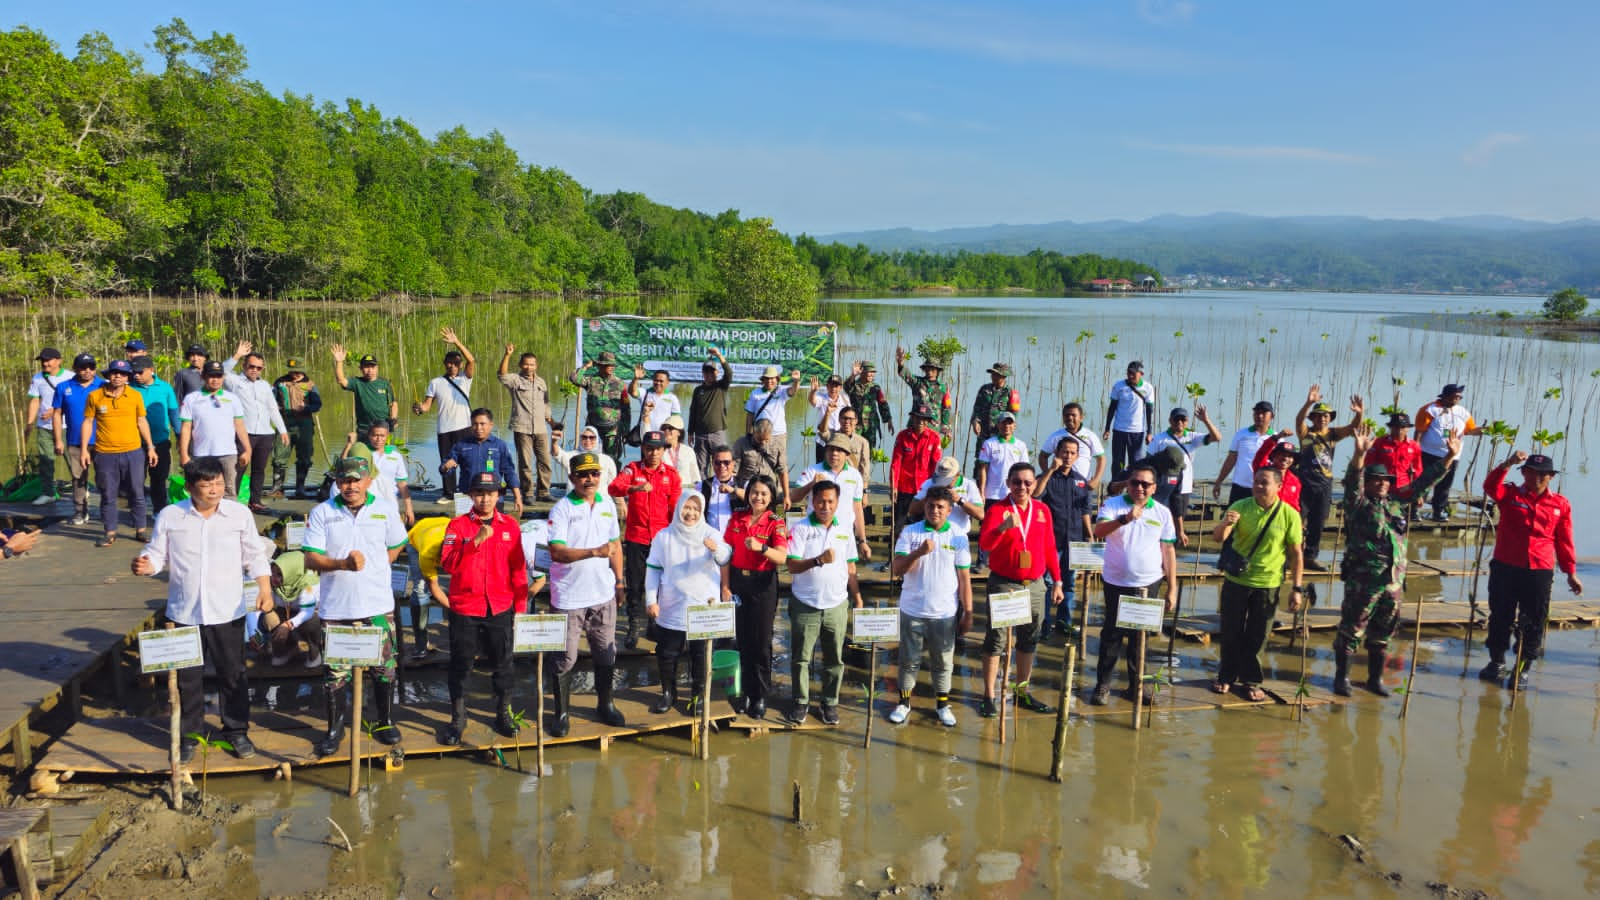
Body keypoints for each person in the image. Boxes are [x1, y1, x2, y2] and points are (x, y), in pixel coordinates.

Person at [133, 457, 272, 762]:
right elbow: (157, 555)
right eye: (207, 484)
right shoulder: (171, 516)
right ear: (191, 487)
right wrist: (146, 565)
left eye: (219, 482)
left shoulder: (238, 514)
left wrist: (264, 587)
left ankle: (236, 732)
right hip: (184, 612)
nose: (214, 489)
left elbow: (255, 555)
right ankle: (189, 736)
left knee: (233, 673)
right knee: (188, 679)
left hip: (228, 610)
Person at [1335, 426, 1460, 697]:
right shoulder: (1358, 504)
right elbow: (1352, 479)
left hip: (1392, 582)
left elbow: (1421, 483)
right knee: (1351, 631)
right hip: (1363, 581)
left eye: (1386, 480)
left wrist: (1448, 458)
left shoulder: (1396, 505)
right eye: (1376, 479)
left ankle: (1374, 680)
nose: (1382, 483)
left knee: (1383, 633)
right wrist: (1359, 454)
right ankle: (1341, 679)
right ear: (1367, 482)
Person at [302, 456, 409, 757]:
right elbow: (310, 558)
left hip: (377, 605)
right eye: (345, 480)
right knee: (335, 673)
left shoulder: (385, 509)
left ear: (368, 481)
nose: (351, 486)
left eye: (356, 480)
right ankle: (334, 728)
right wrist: (342, 564)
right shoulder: (323, 512)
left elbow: (399, 541)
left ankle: (384, 721)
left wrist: (383, 561)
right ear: (337, 483)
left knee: (384, 668)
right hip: (336, 608)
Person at [438, 471, 529, 744]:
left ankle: (503, 713)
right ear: (470, 495)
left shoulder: (510, 526)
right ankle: (458, 718)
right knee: (461, 664)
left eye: (490, 493)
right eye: (479, 493)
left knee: (503, 664)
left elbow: (518, 568)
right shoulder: (457, 526)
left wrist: (521, 606)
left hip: (500, 606)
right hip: (465, 607)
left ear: (499, 495)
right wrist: (475, 542)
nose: (485, 499)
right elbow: (448, 564)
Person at [1478, 450, 1581, 690]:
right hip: (1506, 566)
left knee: (1533, 620)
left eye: (1542, 475)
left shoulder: (1560, 504)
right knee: (1500, 616)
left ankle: (1522, 669)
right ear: (1524, 472)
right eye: (1531, 472)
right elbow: (1490, 486)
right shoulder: (1510, 494)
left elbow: (1564, 541)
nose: (1537, 478)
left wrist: (1571, 572)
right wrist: (1507, 463)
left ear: (1550, 477)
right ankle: (1497, 662)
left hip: (1538, 570)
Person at [544, 451, 628, 736]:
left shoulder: (607, 506)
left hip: (603, 594)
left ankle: (606, 704)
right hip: (568, 597)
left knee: (606, 653)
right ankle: (562, 713)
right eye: (582, 475)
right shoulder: (561, 509)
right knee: (564, 658)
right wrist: (593, 552)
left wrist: (619, 581)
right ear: (572, 478)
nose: (589, 479)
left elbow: (615, 546)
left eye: (593, 474)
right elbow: (556, 551)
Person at [1210, 467, 1304, 701]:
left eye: (1265, 482)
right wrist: (1226, 523)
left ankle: (1251, 680)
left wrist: (1297, 588)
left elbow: (1296, 554)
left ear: (1278, 487)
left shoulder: (1289, 514)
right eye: (1256, 482)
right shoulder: (1240, 507)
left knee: (1259, 634)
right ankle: (1226, 676)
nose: (1259, 486)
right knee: (1231, 630)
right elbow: (1219, 538)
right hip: (1237, 580)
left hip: (1269, 583)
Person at [977, 462, 1063, 717]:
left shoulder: (1042, 510)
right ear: (1008, 483)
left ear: (1035, 484)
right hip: (1005, 583)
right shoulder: (998, 509)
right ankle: (989, 695)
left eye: (1027, 482)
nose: (1022, 487)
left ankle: (1022, 692)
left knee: (1029, 639)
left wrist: (1057, 581)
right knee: (997, 640)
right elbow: (985, 543)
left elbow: (1049, 547)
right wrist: (1003, 528)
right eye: (1017, 482)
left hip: (1035, 585)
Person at [1089, 461, 1178, 705]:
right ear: (1127, 484)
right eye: (1134, 482)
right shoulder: (1113, 504)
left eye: (1145, 484)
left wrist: (1172, 587)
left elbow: (1168, 549)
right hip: (1116, 581)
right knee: (1112, 635)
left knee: (1141, 637)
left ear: (1154, 487)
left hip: (1148, 583)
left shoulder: (1162, 512)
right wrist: (1124, 519)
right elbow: (1099, 532)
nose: (1139, 488)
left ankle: (1137, 684)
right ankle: (1103, 684)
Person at [889, 487, 973, 727]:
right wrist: (919, 552)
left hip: (945, 612)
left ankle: (942, 705)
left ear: (949, 510)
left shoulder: (958, 536)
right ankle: (904, 703)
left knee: (943, 662)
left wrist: (968, 611)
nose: (934, 511)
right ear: (924, 506)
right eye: (930, 506)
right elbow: (898, 569)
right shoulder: (909, 532)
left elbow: (964, 578)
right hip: (912, 609)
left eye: (940, 507)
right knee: (908, 660)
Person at [784, 482, 864, 725]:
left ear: (838, 503)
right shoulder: (800, 528)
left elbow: (851, 566)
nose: (825, 506)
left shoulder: (845, 530)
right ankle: (800, 701)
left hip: (837, 604)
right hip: (805, 603)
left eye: (830, 501)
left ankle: (829, 703)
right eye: (820, 501)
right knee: (801, 658)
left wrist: (857, 597)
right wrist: (818, 560)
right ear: (812, 501)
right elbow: (791, 566)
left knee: (834, 659)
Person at [645, 493, 732, 714]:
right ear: (678, 509)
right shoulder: (664, 536)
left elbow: (725, 556)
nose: (690, 513)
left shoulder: (710, 533)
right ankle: (668, 693)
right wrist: (650, 600)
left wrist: (716, 549)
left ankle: (698, 696)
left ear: (701, 510)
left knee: (701, 654)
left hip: (702, 606)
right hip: (671, 606)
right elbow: (653, 569)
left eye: (695, 508)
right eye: (686, 507)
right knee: (667, 653)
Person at [609, 430, 683, 648]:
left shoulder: (671, 474)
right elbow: (613, 487)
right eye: (649, 448)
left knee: (661, 584)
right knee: (635, 583)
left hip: (661, 540)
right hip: (637, 538)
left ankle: (654, 623)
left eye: (658, 449)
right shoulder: (632, 469)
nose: (653, 453)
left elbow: (675, 509)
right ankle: (633, 626)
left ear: (663, 450)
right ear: (643, 448)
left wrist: (675, 538)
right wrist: (633, 488)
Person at [721, 476, 788, 719]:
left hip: (763, 584)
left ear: (771, 498)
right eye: (754, 492)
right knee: (741, 640)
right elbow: (725, 554)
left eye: (763, 494)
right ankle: (744, 692)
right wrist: (725, 586)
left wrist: (762, 547)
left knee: (760, 643)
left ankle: (759, 695)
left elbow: (782, 558)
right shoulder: (737, 517)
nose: (757, 497)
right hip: (739, 582)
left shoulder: (775, 522)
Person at [82, 359, 158, 546]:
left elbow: (141, 421)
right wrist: (84, 449)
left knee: (137, 492)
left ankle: (140, 530)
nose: (118, 376)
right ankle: (110, 532)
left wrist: (150, 447)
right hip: (105, 453)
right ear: (108, 375)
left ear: (128, 377)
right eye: (114, 373)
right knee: (108, 494)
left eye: (122, 374)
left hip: (133, 452)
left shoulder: (134, 396)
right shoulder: (95, 396)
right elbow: (88, 422)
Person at [1292, 385, 1363, 571]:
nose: (1322, 419)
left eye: (1326, 416)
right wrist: (1309, 403)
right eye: (1318, 415)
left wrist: (1359, 413)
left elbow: (1353, 428)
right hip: (1305, 481)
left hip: (1324, 483)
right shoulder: (1306, 434)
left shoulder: (1332, 434)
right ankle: (1292, 555)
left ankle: (1310, 556)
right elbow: (1298, 420)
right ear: (1313, 418)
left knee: (1318, 521)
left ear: (1329, 419)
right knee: (1297, 520)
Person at [223, 342, 291, 513]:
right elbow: (222, 372)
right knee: (239, 467)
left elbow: (272, 408)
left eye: (258, 368)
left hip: (265, 433)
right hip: (245, 433)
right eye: (251, 366)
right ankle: (232, 500)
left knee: (259, 469)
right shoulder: (235, 381)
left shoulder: (265, 385)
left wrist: (282, 430)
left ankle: (255, 501)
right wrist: (236, 355)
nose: (254, 370)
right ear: (245, 366)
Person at [412, 327, 477, 505]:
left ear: (460, 365)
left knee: (466, 460)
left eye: (456, 363)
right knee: (446, 462)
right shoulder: (435, 382)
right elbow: (426, 406)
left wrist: (456, 341)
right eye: (449, 363)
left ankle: (466, 491)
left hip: (464, 426)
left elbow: (472, 359)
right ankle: (448, 494)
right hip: (444, 428)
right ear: (444, 363)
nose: (452, 366)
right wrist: (419, 409)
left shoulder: (465, 379)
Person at [1035, 438, 1094, 635]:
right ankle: (1043, 624)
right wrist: (1050, 470)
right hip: (1051, 541)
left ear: (1077, 456)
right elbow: (1035, 494)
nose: (1068, 456)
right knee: (1047, 583)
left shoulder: (1081, 481)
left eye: (1072, 453)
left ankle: (1064, 622)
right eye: (1064, 452)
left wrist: (1090, 535)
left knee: (1069, 583)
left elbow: (1085, 510)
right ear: (1057, 453)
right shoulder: (1047, 477)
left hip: (1075, 541)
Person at [1145, 405, 1221, 549]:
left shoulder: (1192, 437)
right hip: (1164, 486)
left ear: (1187, 422)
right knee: (1160, 519)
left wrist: (1205, 420)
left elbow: (1217, 437)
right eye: (1176, 419)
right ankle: (1157, 548)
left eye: (1183, 419)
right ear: (1170, 421)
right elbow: (1149, 462)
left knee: (1178, 517)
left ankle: (1171, 550)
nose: (1179, 422)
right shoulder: (1160, 439)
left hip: (1184, 486)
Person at [178, 361, 251, 500]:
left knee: (229, 490)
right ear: (203, 376)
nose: (215, 380)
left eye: (219, 376)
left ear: (223, 377)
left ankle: (229, 520)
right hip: (202, 454)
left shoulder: (233, 398)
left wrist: (248, 450)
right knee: (203, 489)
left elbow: (240, 425)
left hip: (228, 454)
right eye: (211, 376)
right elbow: (186, 428)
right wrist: (183, 454)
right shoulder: (191, 399)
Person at [793, 434, 870, 563]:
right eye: (830, 449)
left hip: (845, 533)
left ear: (847, 454)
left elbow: (857, 509)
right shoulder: (812, 471)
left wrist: (862, 540)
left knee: (849, 570)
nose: (834, 453)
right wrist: (811, 484)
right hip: (816, 532)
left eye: (839, 450)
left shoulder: (855, 475)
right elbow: (793, 497)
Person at [1413, 383, 1483, 521]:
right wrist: (1415, 451)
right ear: (1446, 395)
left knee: (1444, 486)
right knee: (1424, 483)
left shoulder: (1463, 412)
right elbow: (1419, 431)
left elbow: (1470, 430)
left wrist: (1485, 430)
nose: (1458, 399)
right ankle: (1414, 512)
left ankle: (1438, 512)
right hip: (1429, 453)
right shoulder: (1430, 410)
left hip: (1452, 456)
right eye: (1455, 396)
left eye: (1459, 397)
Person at [497, 344, 554, 503]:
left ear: (536, 365)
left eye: (532, 364)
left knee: (545, 461)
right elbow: (502, 376)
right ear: (521, 365)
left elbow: (546, 403)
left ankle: (543, 492)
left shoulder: (541, 382)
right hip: (522, 427)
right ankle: (528, 493)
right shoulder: (515, 380)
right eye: (526, 364)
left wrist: (551, 421)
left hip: (540, 428)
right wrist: (507, 355)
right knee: (525, 463)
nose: (529, 367)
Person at [51, 354, 103, 524]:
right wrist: (58, 439)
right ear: (75, 368)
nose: (87, 371)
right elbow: (57, 414)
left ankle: (106, 509)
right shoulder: (63, 387)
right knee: (78, 477)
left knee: (105, 477)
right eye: (82, 367)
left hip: (102, 440)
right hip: (75, 440)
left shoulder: (103, 385)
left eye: (91, 367)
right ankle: (80, 511)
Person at [440, 408, 522, 517]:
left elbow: (509, 472)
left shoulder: (500, 445)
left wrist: (517, 497)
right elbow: (445, 469)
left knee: (493, 530)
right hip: (467, 497)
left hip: (492, 497)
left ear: (491, 425)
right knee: (466, 531)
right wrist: (446, 467)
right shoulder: (461, 445)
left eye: (482, 424)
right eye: (475, 424)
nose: (478, 428)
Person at [252, 548, 325, 668]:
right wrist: (254, 632)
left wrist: (287, 625)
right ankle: (286, 650)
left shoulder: (307, 586)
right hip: (287, 615)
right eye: (273, 573)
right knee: (269, 617)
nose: (274, 578)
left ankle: (315, 652)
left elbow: (307, 612)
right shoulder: (272, 584)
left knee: (312, 621)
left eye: (280, 575)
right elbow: (259, 607)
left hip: (306, 619)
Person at [129, 360, 179, 520]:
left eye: (140, 372)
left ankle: (159, 510)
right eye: (134, 372)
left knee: (159, 478)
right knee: (136, 479)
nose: (136, 376)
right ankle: (137, 511)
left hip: (160, 441)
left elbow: (173, 414)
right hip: (135, 442)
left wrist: (180, 436)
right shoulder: (129, 387)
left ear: (151, 369)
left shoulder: (165, 388)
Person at [343, 421, 415, 526]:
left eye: (382, 435)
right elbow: (344, 466)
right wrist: (349, 444)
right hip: (366, 503)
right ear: (369, 435)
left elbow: (402, 484)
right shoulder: (362, 452)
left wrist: (409, 508)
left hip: (390, 502)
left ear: (388, 436)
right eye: (375, 435)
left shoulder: (395, 456)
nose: (378, 439)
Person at [889, 404, 943, 544]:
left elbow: (936, 465)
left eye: (924, 419)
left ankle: (920, 557)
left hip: (924, 489)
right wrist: (893, 486)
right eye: (918, 418)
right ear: (912, 418)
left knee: (923, 526)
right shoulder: (902, 436)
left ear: (928, 421)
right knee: (898, 525)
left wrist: (935, 488)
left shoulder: (934, 438)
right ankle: (892, 558)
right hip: (904, 488)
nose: (921, 422)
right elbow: (896, 463)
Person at [24, 347, 69, 506]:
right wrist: (30, 423)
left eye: (48, 360)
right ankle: (48, 493)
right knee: (46, 461)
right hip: (44, 426)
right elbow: (35, 400)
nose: (45, 363)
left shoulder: (70, 377)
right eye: (43, 360)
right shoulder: (38, 378)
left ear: (58, 361)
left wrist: (55, 410)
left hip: (66, 426)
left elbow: (77, 400)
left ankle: (81, 490)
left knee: (73, 460)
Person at [569, 351, 630, 466]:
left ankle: (613, 482)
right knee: (590, 457)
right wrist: (586, 367)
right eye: (608, 365)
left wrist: (626, 429)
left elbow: (626, 408)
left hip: (613, 429)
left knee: (612, 460)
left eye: (612, 365)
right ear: (600, 366)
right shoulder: (591, 380)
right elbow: (574, 378)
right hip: (593, 427)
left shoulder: (620, 383)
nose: (611, 367)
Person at [271, 362, 321, 498]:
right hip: (284, 425)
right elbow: (270, 399)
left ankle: (300, 487)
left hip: (304, 425)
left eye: (298, 372)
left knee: (304, 457)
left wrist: (306, 408)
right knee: (279, 456)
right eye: (293, 371)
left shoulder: (310, 385)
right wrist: (275, 406)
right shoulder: (279, 383)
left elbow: (318, 405)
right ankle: (277, 488)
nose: (296, 374)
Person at [404, 514, 450, 659]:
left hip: (443, 525)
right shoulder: (426, 554)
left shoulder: (464, 542)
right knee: (420, 589)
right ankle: (421, 645)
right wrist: (455, 609)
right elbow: (434, 587)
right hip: (417, 536)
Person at [1214, 401, 1276, 506]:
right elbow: (1231, 460)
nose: (1259, 416)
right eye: (1257, 413)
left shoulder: (1277, 438)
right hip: (1240, 486)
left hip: (1264, 488)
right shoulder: (1241, 434)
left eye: (1263, 413)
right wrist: (1219, 482)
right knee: (1233, 519)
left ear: (1272, 416)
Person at [331, 345, 398, 443]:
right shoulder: (357, 383)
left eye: (372, 367)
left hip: (384, 428)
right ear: (361, 368)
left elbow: (393, 404)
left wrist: (394, 419)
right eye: (366, 367)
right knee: (363, 456)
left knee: (385, 456)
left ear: (377, 368)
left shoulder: (385, 384)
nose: (370, 370)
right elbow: (341, 380)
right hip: (364, 429)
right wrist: (339, 362)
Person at [744, 365, 802, 475]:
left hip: (778, 435)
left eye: (772, 378)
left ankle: (781, 490)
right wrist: (748, 433)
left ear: (777, 379)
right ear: (763, 380)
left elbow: (793, 391)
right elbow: (750, 415)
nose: (770, 381)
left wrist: (796, 381)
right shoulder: (755, 393)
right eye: (767, 378)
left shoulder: (781, 391)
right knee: (760, 464)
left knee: (781, 465)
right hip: (760, 435)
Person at [1104, 361, 1156, 480]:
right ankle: (1116, 486)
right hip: (1119, 429)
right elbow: (1112, 408)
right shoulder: (1119, 386)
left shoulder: (1148, 388)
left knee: (1136, 462)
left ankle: (1133, 486)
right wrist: (1107, 429)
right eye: (1128, 373)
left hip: (1137, 431)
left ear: (1141, 374)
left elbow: (1149, 411)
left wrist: (1149, 432)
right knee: (1118, 461)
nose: (1130, 376)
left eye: (1133, 373)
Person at [1040, 402, 1107, 493]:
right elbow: (1043, 456)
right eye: (1067, 415)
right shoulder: (1055, 436)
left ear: (1081, 417)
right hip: (1059, 483)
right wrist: (1047, 475)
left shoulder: (1090, 436)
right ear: (1063, 418)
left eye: (1073, 415)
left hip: (1082, 483)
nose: (1070, 418)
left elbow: (1101, 459)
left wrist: (1096, 480)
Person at [911, 456, 985, 536]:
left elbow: (980, 515)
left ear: (957, 475)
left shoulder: (969, 485)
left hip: (958, 536)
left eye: (946, 480)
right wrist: (930, 496)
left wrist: (959, 500)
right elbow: (912, 510)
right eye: (940, 478)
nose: (942, 483)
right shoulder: (930, 483)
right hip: (932, 534)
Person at [687, 347, 733, 472]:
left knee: (721, 464)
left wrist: (719, 355)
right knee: (700, 467)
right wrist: (690, 432)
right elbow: (692, 411)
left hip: (717, 433)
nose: (709, 374)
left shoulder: (721, 386)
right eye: (706, 372)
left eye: (712, 372)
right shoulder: (698, 390)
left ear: (717, 373)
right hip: (700, 435)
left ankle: (720, 489)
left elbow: (729, 373)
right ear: (703, 373)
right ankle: (702, 491)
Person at [731, 419, 787, 509]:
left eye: (766, 440)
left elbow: (783, 471)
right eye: (759, 440)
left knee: (793, 494)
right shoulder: (741, 443)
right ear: (754, 432)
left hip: (769, 485)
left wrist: (787, 496)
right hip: (747, 486)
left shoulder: (777, 445)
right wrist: (733, 489)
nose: (763, 443)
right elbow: (733, 471)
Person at [1368, 412, 1423, 502]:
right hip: (1383, 487)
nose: (1399, 430)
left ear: (1408, 428)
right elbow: (1368, 464)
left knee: (1404, 515)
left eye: (1402, 427)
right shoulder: (1379, 442)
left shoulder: (1414, 446)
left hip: (1404, 488)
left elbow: (1418, 471)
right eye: (1396, 427)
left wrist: (1419, 493)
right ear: (1391, 427)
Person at [976, 413, 1029, 506]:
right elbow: (983, 469)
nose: (1007, 426)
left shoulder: (1021, 445)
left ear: (1014, 426)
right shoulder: (989, 443)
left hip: (1013, 493)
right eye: (1003, 423)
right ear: (998, 425)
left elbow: (1024, 471)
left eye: (1010, 423)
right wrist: (981, 491)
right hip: (992, 494)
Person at [843, 361, 893, 457]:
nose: (871, 375)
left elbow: (882, 403)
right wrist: (853, 375)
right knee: (853, 450)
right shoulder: (854, 385)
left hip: (871, 424)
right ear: (862, 372)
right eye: (869, 372)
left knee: (868, 451)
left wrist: (888, 419)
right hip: (856, 424)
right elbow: (846, 387)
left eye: (873, 372)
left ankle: (865, 470)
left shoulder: (875, 388)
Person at [818, 406, 873, 490]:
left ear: (856, 421)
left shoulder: (862, 442)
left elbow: (865, 468)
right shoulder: (832, 436)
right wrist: (827, 413)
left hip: (851, 482)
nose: (847, 421)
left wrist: (864, 491)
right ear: (839, 420)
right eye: (844, 418)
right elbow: (822, 431)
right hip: (832, 481)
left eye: (850, 419)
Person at [557, 426, 618, 498]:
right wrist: (555, 441)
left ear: (597, 439)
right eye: (584, 437)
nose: (588, 440)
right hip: (575, 501)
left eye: (592, 437)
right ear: (580, 438)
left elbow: (613, 482)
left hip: (600, 500)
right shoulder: (573, 456)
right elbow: (557, 454)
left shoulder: (607, 459)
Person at [1252, 434, 1303, 512]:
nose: (1285, 458)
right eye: (1282, 454)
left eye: (1289, 456)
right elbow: (1261, 454)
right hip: (1262, 515)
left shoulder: (1295, 481)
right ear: (1273, 456)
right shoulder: (1263, 471)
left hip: (1283, 519)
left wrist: (1297, 521)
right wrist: (1276, 438)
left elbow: (1294, 505)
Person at [699, 447, 745, 533]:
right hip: (711, 540)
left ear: (733, 463)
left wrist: (733, 490)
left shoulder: (743, 484)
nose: (722, 466)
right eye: (718, 462)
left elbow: (752, 498)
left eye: (726, 462)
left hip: (736, 538)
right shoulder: (702, 485)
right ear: (712, 463)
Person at [807, 374, 852, 463]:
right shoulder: (821, 397)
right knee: (821, 467)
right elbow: (812, 401)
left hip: (839, 439)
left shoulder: (845, 399)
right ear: (827, 386)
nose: (833, 389)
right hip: (823, 440)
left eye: (836, 386)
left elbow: (849, 417)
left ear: (840, 387)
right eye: (831, 385)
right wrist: (812, 391)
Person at [630, 365, 681, 435]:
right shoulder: (645, 393)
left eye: (661, 381)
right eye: (656, 380)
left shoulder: (672, 398)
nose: (658, 383)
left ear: (667, 382)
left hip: (663, 435)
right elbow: (632, 392)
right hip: (646, 433)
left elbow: (676, 419)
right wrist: (635, 379)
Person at [661, 413, 701, 487]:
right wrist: (646, 416)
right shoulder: (660, 451)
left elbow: (696, 477)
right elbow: (644, 436)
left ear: (679, 432)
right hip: (666, 491)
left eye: (670, 428)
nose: (666, 431)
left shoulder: (688, 451)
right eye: (664, 428)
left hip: (686, 491)